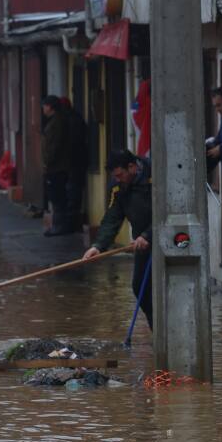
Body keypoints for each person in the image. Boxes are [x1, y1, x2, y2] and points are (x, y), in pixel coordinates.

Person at [83, 150, 153, 328]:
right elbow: (113, 217)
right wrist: (98, 246)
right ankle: (159, 330)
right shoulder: (118, 187)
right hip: (142, 244)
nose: (118, 179)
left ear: (132, 167)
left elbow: (167, 211)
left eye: (120, 175)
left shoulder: (154, 175)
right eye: (115, 176)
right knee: (140, 289)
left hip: (168, 238)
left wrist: (148, 235)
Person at [40, 95, 71, 236]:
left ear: (50, 107)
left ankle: (59, 226)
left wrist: (47, 161)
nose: (43, 109)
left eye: (45, 106)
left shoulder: (57, 122)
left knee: (57, 196)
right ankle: (57, 225)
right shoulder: (55, 121)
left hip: (57, 167)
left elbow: (54, 146)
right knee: (55, 196)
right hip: (56, 166)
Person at [60, 96, 88, 234]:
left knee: (72, 194)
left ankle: (71, 225)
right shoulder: (74, 119)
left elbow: (72, 144)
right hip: (75, 162)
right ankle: (71, 223)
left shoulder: (69, 121)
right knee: (73, 193)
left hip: (74, 163)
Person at [207, 86, 222, 188]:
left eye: (219, 105)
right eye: (215, 107)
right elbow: (220, 138)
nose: (217, 110)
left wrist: (221, 149)